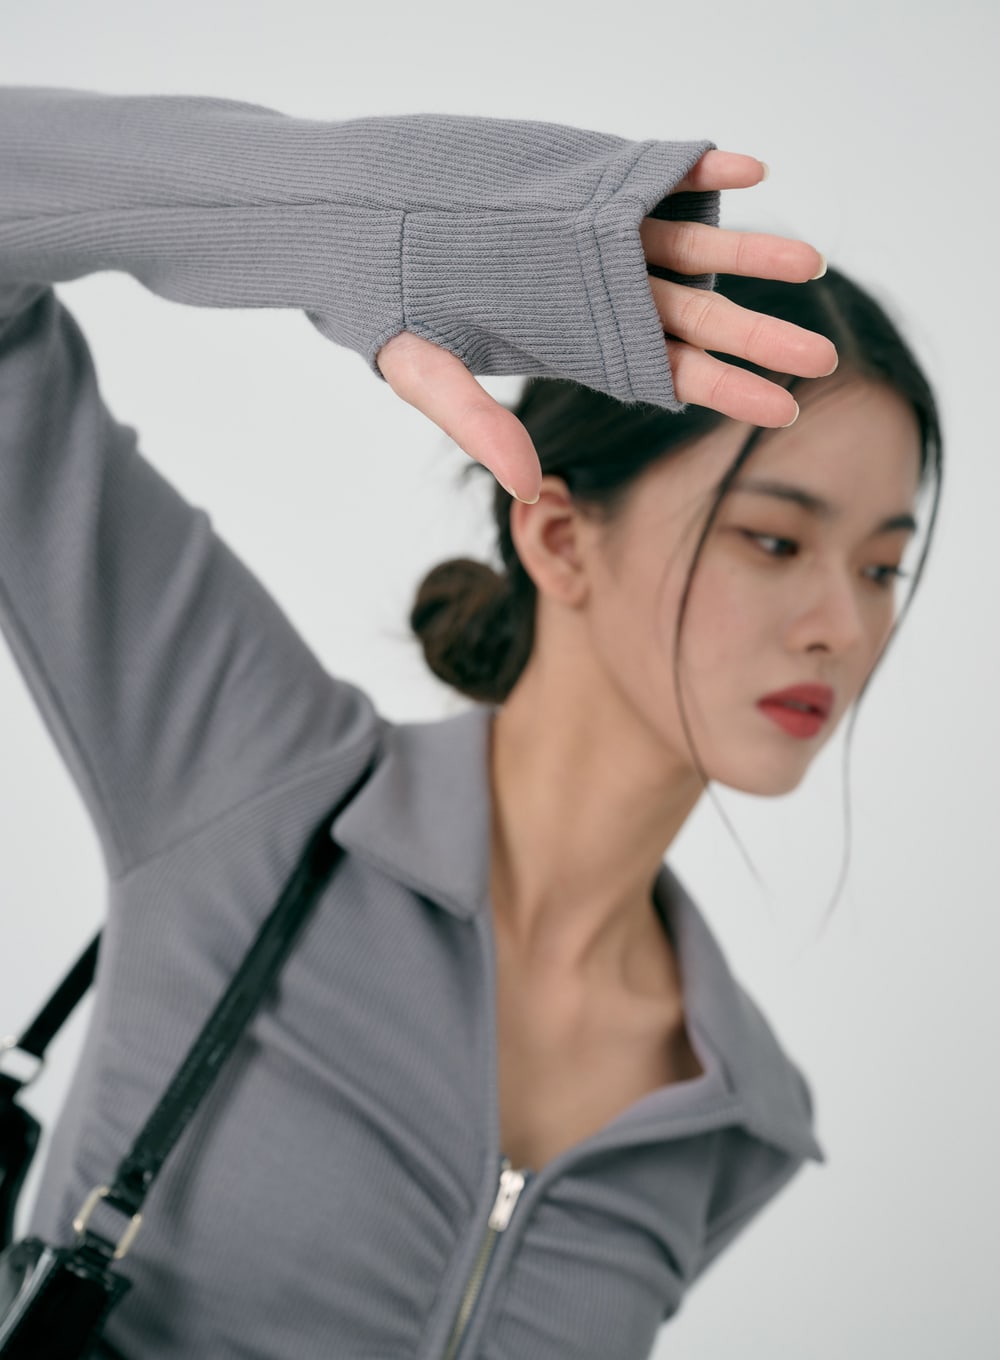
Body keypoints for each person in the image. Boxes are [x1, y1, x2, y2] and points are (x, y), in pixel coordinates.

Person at [0, 86, 940, 1360]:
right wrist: (377, 225)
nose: (842, 622)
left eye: (882, 566)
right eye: (774, 540)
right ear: (558, 536)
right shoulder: (254, 783)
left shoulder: (736, 1118)